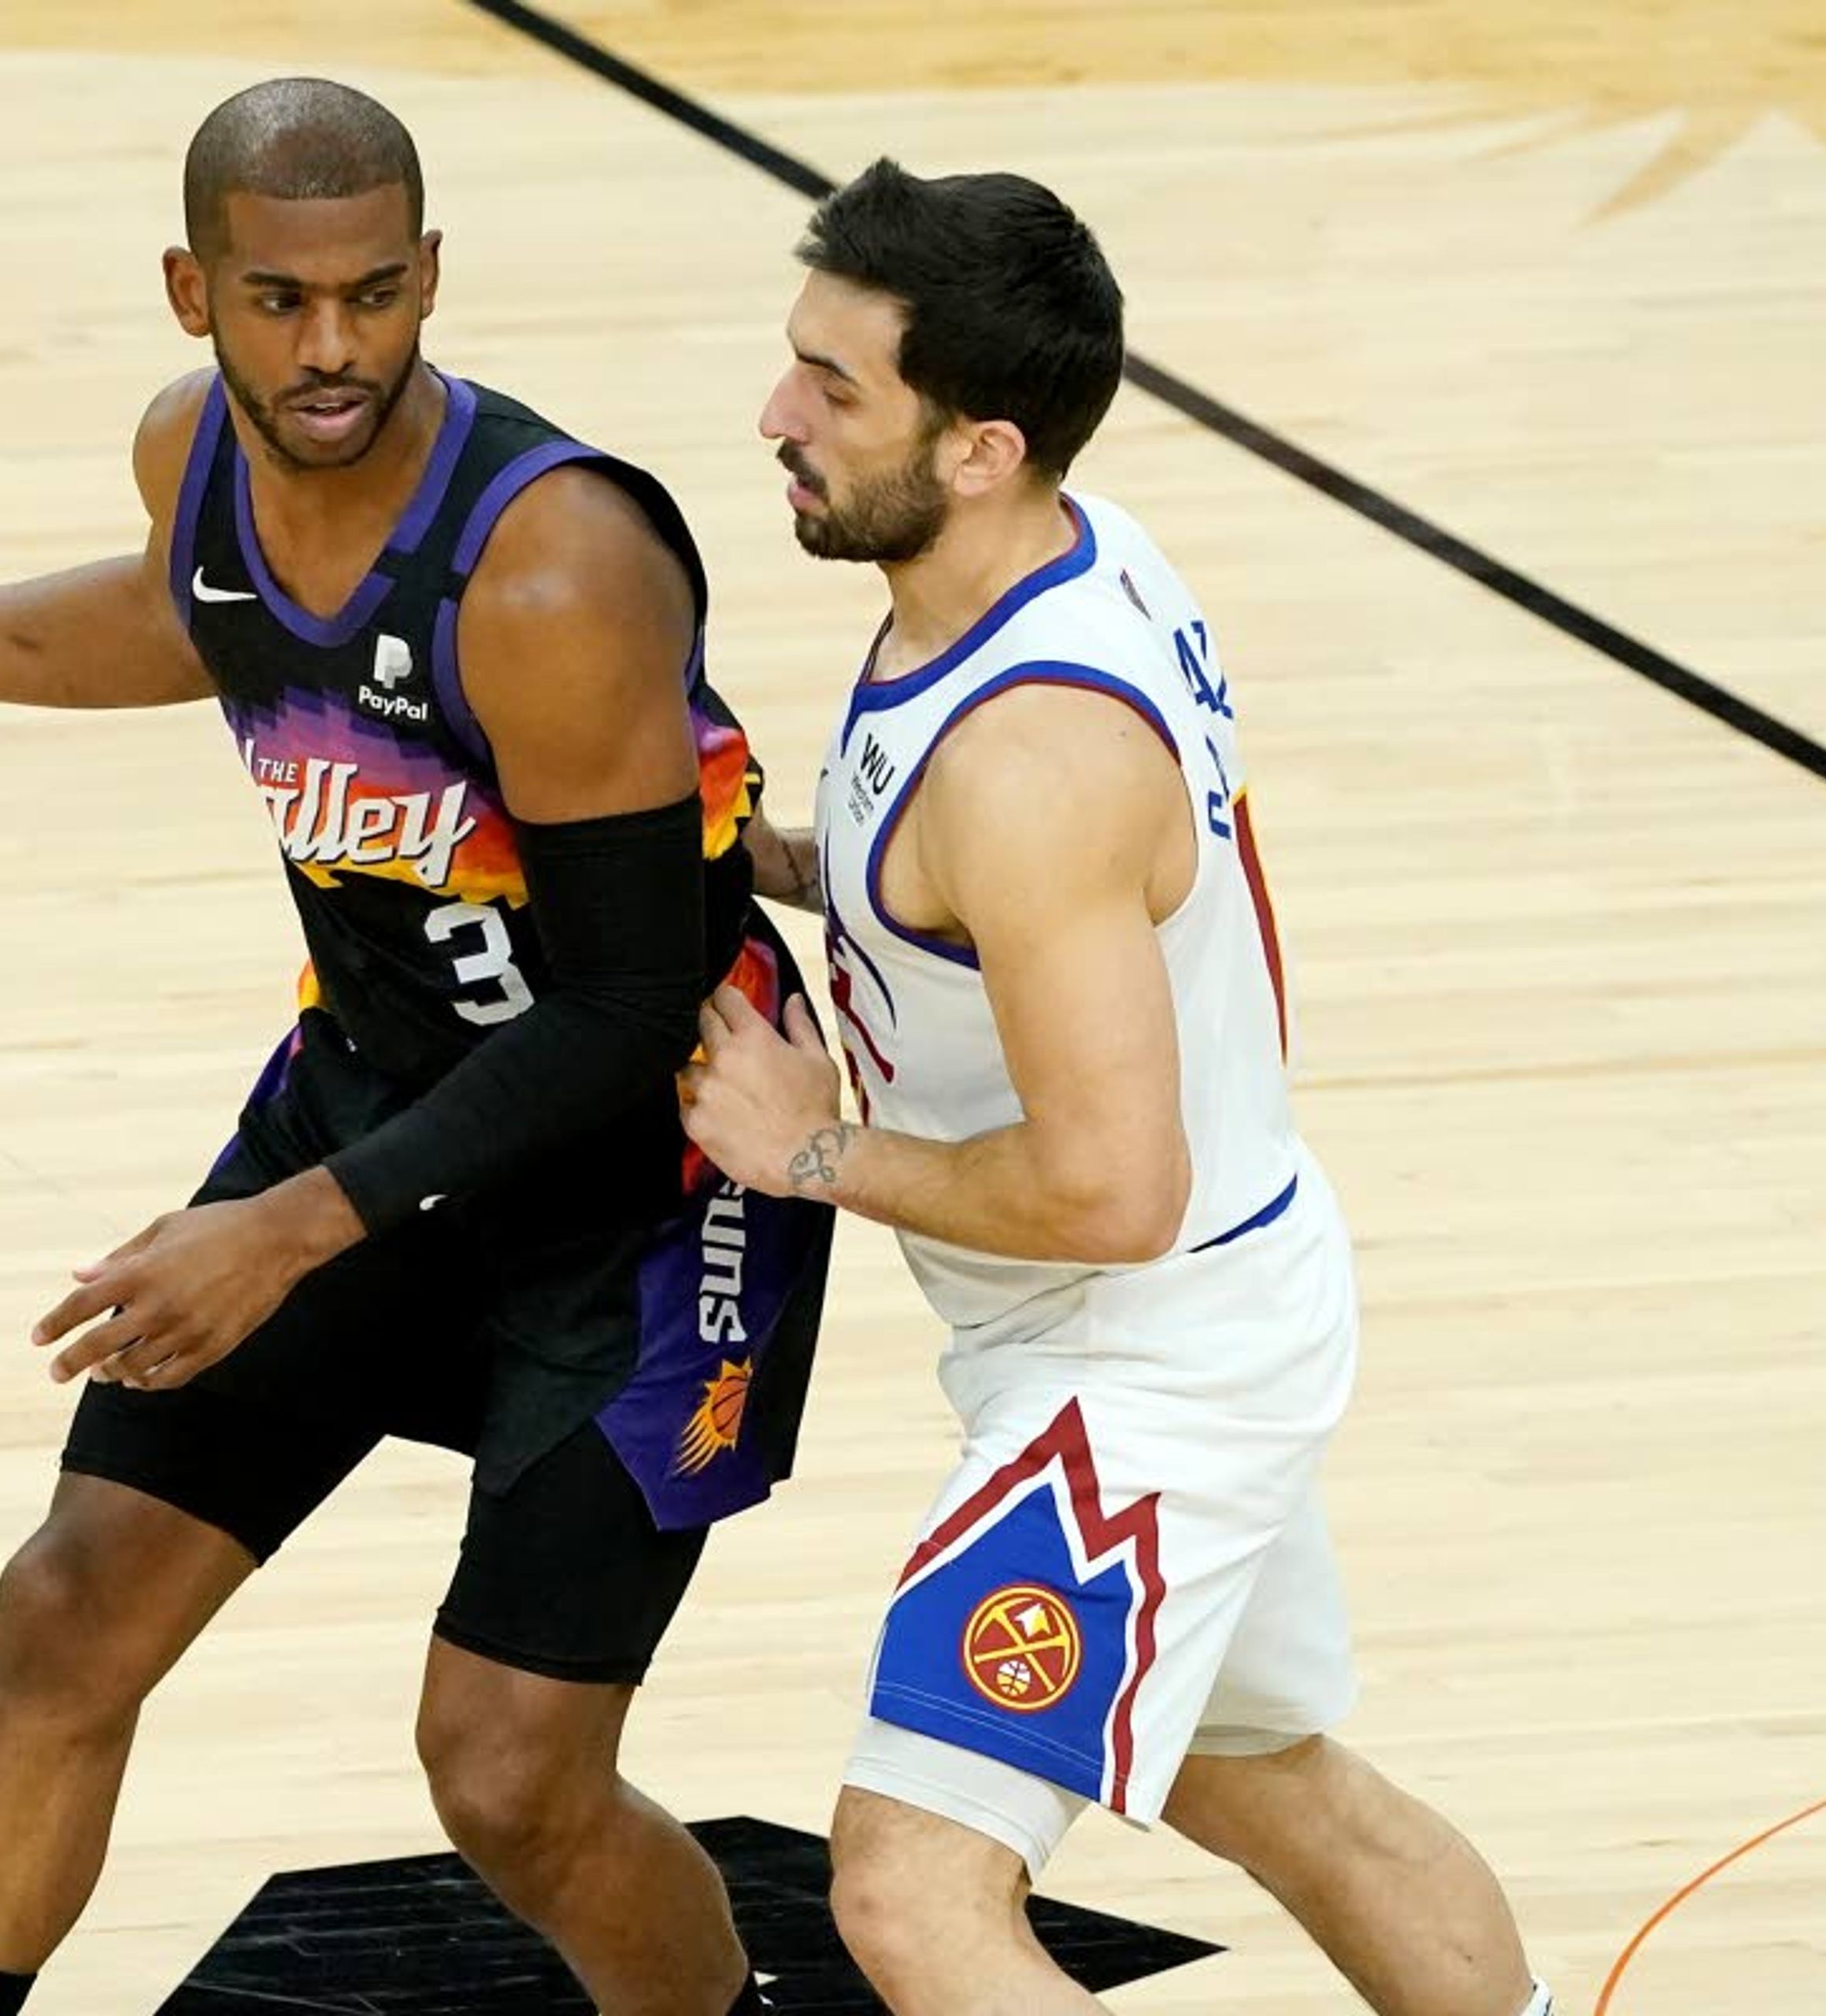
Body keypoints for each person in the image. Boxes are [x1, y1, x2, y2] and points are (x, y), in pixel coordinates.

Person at [0, 77, 831, 2016]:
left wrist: (281, 1232)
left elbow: (620, 1015)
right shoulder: (192, 456)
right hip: (375, 1101)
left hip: (643, 1176)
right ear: (194, 291)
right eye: (282, 299)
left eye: (373, 292)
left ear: (431, 273)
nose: (334, 346)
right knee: (68, 1604)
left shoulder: (549, 571)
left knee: (511, 1778)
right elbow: (180, 620)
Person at [687, 159, 1551, 2016]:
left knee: (914, 1891)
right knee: (1270, 1782)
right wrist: (758, 849)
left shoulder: (1036, 760)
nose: (778, 416)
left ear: (986, 443)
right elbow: (993, 894)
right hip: (1200, 1291)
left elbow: (1107, 1186)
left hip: (1136, 1349)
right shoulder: (1062, 554)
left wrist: (810, 1144)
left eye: (836, 391)